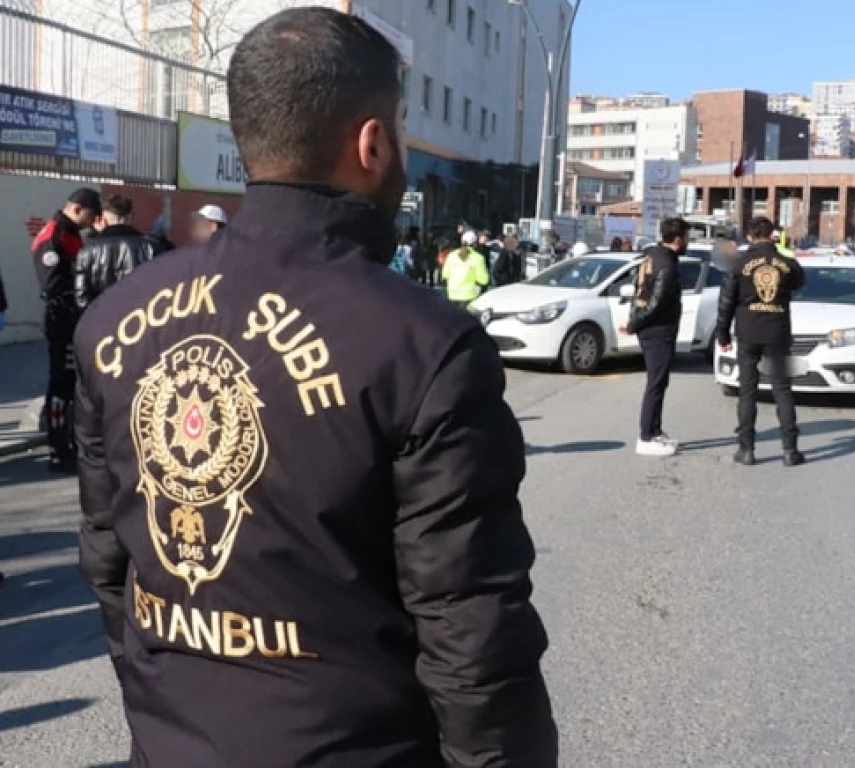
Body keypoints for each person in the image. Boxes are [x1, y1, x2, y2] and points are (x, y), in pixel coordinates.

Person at [72, 8, 557, 766]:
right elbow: (469, 629)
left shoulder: (113, 321)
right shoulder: (424, 345)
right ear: (372, 143)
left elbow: (110, 563)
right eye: (397, 125)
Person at [715, 216, 806, 467]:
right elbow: (800, 281)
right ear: (772, 235)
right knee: (783, 390)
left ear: (750, 237)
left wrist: (722, 334)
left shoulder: (738, 263)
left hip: (748, 332)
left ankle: (746, 449)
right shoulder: (787, 262)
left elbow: (726, 302)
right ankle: (790, 449)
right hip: (777, 332)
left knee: (747, 391)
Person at [32, 186, 100, 472]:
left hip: (72, 318)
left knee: (72, 384)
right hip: (62, 319)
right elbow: (54, 286)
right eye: (90, 215)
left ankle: (67, 443)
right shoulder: (54, 235)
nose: (92, 221)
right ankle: (57, 448)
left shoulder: (71, 235)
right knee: (61, 384)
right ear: (77, 209)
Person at [620, 217, 689, 457]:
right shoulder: (666, 265)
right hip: (657, 331)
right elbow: (656, 303)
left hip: (653, 329)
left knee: (659, 381)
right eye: (687, 237)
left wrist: (634, 320)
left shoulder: (652, 256)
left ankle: (656, 430)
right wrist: (634, 323)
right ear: (678, 239)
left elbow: (637, 290)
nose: (688, 242)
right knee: (656, 383)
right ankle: (646, 436)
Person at [74, 195, 158, 311]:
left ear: (103, 220)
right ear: (131, 217)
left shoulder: (87, 251)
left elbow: (82, 298)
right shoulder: (152, 247)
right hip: (140, 320)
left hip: (103, 321)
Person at [442, 230, 490, 308]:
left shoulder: (451, 255)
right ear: (475, 244)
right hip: (469, 295)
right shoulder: (478, 258)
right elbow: (484, 280)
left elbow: (445, 274)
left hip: (452, 293)